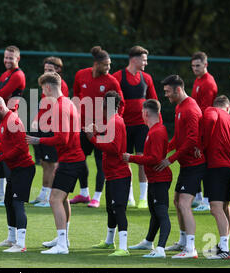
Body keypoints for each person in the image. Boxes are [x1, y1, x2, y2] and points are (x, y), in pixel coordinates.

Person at [26, 72, 87, 254]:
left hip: (71, 160)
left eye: (43, 90)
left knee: (54, 199)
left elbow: (63, 139)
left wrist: (39, 141)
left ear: (48, 88)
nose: (43, 94)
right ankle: (63, 239)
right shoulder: (67, 103)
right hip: (73, 160)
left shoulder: (60, 107)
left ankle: (62, 245)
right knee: (63, 198)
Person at [155, 75, 205, 259]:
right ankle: (183, 241)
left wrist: (171, 159)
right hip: (187, 163)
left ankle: (191, 249)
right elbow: (179, 137)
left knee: (184, 203)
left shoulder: (191, 109)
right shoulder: (179, 107)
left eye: (168, 92)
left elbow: (192, 139)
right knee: (177, 201)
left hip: (195, 164)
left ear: (178, 89)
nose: (166, 95)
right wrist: (164, 150)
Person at [71, 46, 125, 208]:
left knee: (101, 162)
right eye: (106, 65)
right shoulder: (81, 75)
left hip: (102, 129)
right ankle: (84, 193)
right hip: (83, 126)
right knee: (79, 159)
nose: (109, 68)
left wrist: (113, 122)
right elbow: (75, 95)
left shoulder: (111, 81)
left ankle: (97, 197)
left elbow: (121, 104)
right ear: (96, 64)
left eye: (110, 65)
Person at [0, 95, 35, 253]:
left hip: (24, 169)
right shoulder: (3, 121)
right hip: (15, 169)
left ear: (0, 108)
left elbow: (21, 147)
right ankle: (12, 239)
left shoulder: (12, 121)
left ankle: (21, 244)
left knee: (17, 203)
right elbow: (5, 144)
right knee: (8, 201)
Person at [123, 99, 172, 258]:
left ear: (145, 113)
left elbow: (155, 159)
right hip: (155, 178)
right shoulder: (155, 129)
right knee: (155, 212)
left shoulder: (156, 132)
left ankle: (160, 249)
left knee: (161, 213)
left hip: (160, 179)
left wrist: (132, 158)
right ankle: (149, 242)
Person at [112, 45, 159, 209]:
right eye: (144, 60)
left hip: (142, 126)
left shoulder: (147, 78)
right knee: (125, 160)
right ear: (134, 59)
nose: (146, 63)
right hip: (123, 126)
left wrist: (156, 124)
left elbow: (154, 102)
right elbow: (112, 102)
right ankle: (129, 196)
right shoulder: (117, 77)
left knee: (141, 159)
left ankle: (143, 198)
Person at [87, 91, 132, 257]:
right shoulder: (113, 121)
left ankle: (123, 247)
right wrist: (97, 134)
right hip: (113, 174)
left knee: (118, 208)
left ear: (105, 106)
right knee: (111, 209)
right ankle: (109, 241)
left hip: (119, 174)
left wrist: (93, 138)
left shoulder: (115, 122)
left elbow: (114, 148)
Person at [0, 45, 26, 206]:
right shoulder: (5, 74)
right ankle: (1, 191)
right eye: (6, 57)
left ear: (18, 59)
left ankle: (11, 193)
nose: (7, 60)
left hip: (10, 119)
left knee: (9, 154)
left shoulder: (18, 75)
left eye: (11, 57)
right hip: (1, 118)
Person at [200, 96, 230, 259]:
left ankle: (224, 250)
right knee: (224, 207)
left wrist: (202, 146)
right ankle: (223, 245)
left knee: (215, 207)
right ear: (228, 108)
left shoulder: (212, 111)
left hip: (216, 166)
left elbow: (210, 120)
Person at [30, 57, 69, 207]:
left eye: (50, 70)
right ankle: (43, 194)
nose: (47, 72)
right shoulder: (46, 86)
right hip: (42, 127)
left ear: (58, 70)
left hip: (51, 129)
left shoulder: (60, 86)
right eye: (45, 69)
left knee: (52, 164)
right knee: (45, 163)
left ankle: (50, 197)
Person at [190, 51, 218, 211]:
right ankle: (199, 198)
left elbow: (206, 110)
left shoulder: (208, 83)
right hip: (198, 127)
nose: (195, 69)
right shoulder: (198, 80)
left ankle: (207, 201)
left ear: (206, 65)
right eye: (193, 66)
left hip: (205, 129)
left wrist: (199, 132)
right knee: (196, 162)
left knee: (205, 165)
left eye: (198, 65)